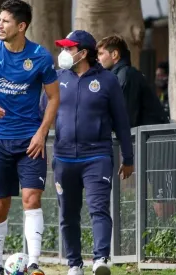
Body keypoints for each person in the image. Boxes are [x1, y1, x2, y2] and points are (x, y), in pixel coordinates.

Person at [0, 1, 60, 274]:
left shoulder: (41, 56)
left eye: (6, 21)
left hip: (30, 141)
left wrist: (42, 132)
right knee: (0, 204)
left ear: (21, 26)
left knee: (31, 199)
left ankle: (34, 263)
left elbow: (54, 97)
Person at [48, 30, 134, 275]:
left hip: (97, 156)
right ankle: (74, 264)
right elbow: (44, 116)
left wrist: (128, 158)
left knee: (98, 208)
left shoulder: (107, 80)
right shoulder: (56, 79)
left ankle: (101, 260)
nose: (64, 53)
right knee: (68, 214)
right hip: (63, 158)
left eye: (69, 48)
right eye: (63, 48)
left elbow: (121, 121)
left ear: (83, 53)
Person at [96, 35, 168, 127]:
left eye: (100, 54)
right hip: (145, 137)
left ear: (114, 54)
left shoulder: (126, 76)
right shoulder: (120, 75)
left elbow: (125, 119)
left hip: (151, 138)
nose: (97, 58)